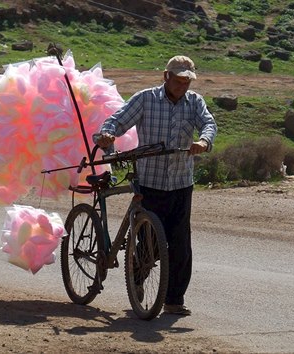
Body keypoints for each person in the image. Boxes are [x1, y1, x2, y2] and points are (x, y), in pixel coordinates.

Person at [95, 55, 218, 316]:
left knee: (181, 244)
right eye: (179, 80)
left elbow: (208, 123)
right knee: (149, 242)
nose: (183, 85)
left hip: (181, 183)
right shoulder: (146, 99)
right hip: (150, 183)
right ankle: (138, 278)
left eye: (187, 81)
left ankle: (174, 299)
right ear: (166, 76)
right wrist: (108, 134)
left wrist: (204, 142)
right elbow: (117, 120)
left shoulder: (194, 102)